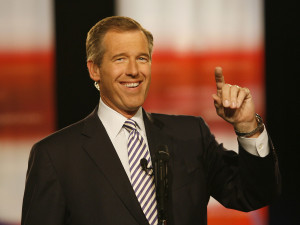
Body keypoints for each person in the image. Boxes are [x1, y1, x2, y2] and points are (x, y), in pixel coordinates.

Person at [21, 16, 280, 225]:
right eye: (120, 58)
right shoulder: (55, 156)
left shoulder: (191, 135)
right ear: (95, 69)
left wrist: (247, 127)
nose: (134, 70)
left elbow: (254, 194)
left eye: (142, 58)